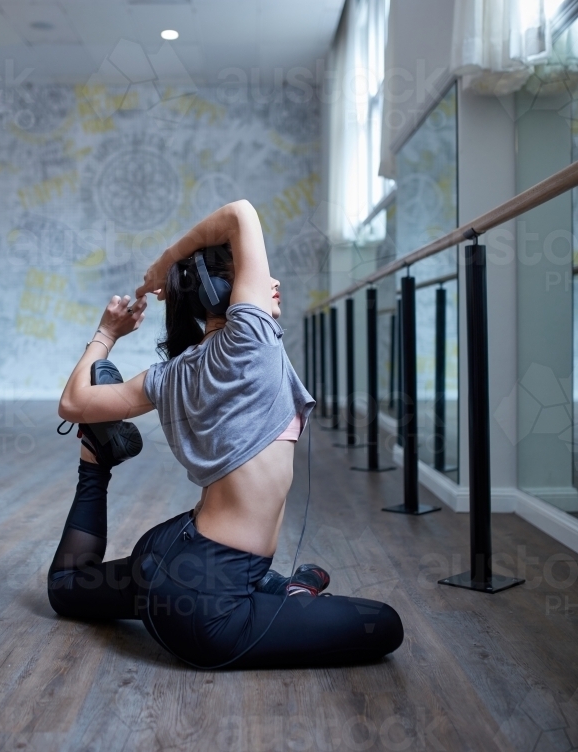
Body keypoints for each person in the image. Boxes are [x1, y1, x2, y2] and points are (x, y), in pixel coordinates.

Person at [48, 201, 404, 669]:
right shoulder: (250, 338)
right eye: (258, 274)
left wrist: (106, 333)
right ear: (222, 292)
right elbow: (240, 213)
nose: (273, 281)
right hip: (208, 610)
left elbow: (73, 403)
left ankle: (95, 460)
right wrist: (165, 264)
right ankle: (291, 591)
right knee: (384, 625)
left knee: (67, 589)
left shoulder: (169, 374)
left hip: (164, 556)